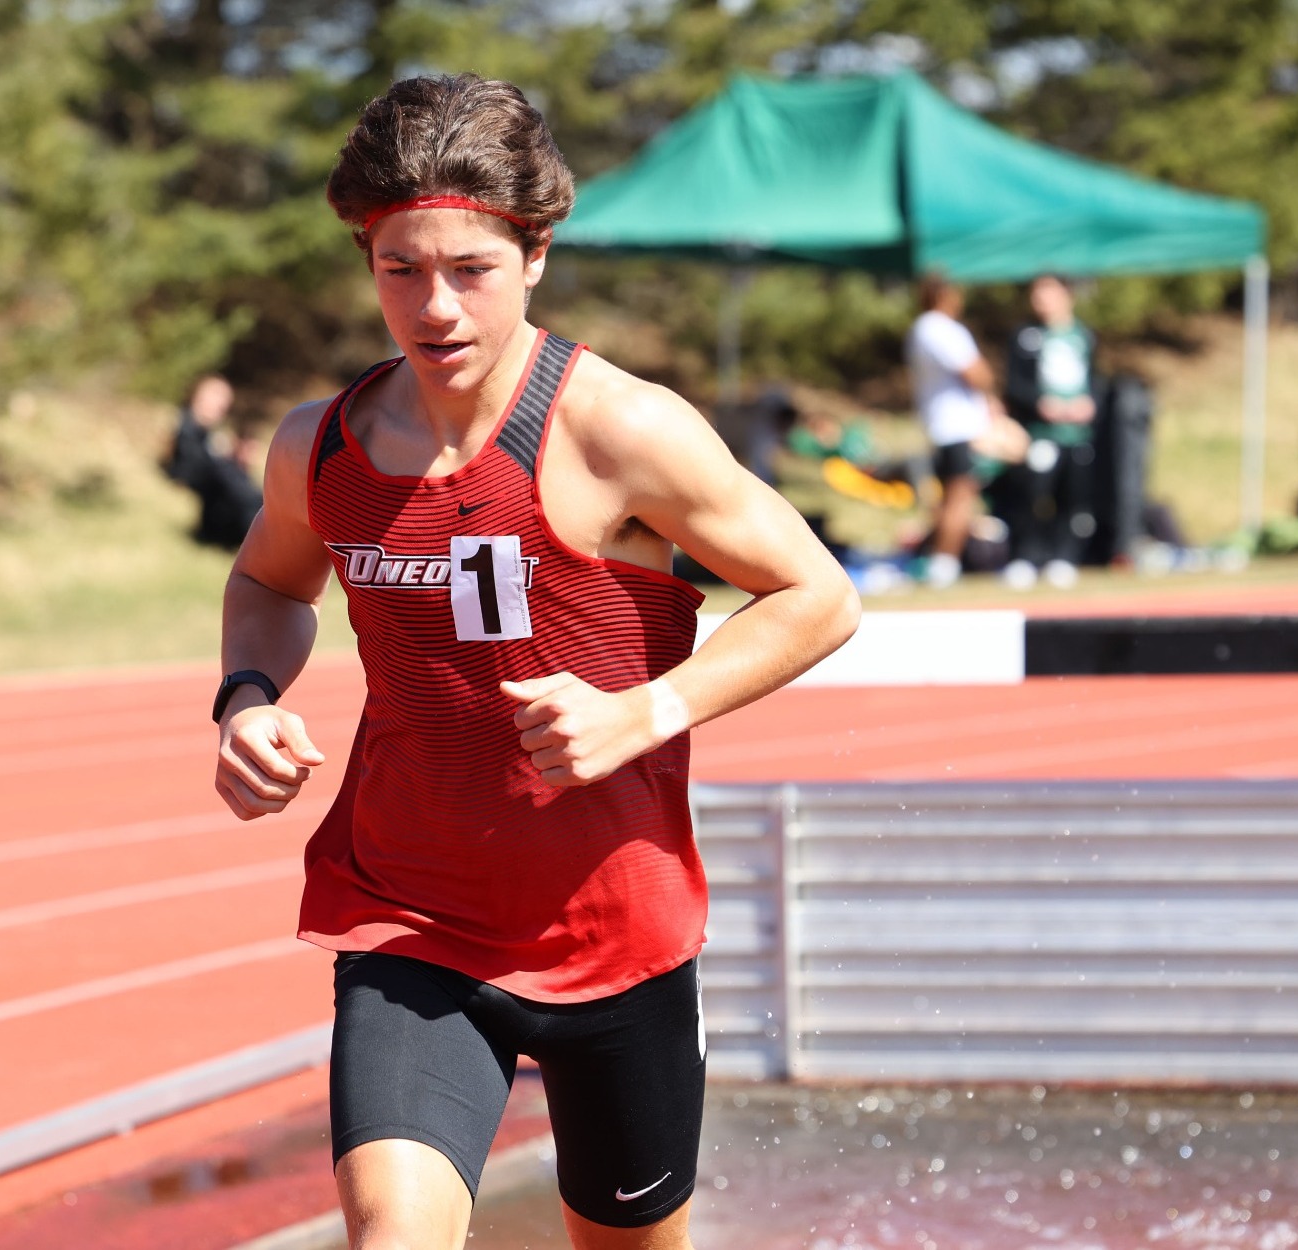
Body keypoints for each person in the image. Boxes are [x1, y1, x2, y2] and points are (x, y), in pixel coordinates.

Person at [211, 75, 859, 1250]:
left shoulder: (621, 429)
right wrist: (246, 697)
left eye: (471, 268)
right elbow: (267, 582)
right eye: (399, 268)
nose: (434, 306)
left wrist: (645, 709)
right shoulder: (322, 444)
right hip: (412, 916)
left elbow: (817, 593)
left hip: (615, 931)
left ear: (536, 254)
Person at [1000, 273, 1097, 588]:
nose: (1041, 300)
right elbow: (1014, 385)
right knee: (1033, 494)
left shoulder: (1083, 335)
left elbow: (1095, 379)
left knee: (1073, 497)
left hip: (1077, 434)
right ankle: (1026, 557)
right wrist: (1040, 404)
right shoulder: (1025, 336)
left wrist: (1088, 404)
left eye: (1048, 293)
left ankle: (1064, 558)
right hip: (1040, 433)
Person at [905, 272, 997, 589]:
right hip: (956, 426)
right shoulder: (939, 328)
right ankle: (944, 561)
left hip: (943, 425)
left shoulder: (923, 329)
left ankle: (941, 558)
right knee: (960, 496)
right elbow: (975, 372)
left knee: (951, 496)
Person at [164, 374, 264, 548]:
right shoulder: (182, 427)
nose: (222, 406)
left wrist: (236, 459)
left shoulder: (209, 435)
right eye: (217, 397)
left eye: (225, 401)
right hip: (216, 512)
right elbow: (188, 469)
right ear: (199, 395)